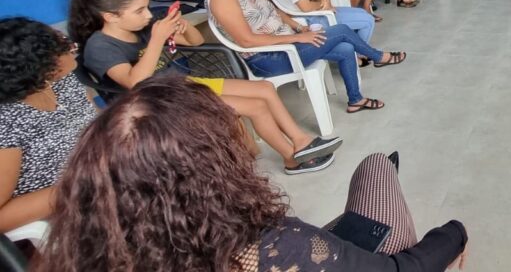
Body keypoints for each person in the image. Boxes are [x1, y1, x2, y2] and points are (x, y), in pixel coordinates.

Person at [42, 76, 469, 271]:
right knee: (376, 168)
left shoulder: (85, 253)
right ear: (212, 165)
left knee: (366, 197)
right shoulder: (272, 246)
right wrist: (455, 233)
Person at [70, 0, 342, 175]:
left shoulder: (142, 28)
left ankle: (300, 141)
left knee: (264, 88)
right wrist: (157, 39)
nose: (148, 15)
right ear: (110, 17)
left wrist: (184, 28)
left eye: (147, 7)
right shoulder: (100, 46)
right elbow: (134, 83)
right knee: (255, 106)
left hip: (182, 84)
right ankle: (291, 159)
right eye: (139, 11)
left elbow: (196, 42)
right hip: (157, 102)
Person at [206, 0, 404, 114]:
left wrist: (300, 29)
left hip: (289, 46)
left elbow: (276, 12)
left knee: (345, 48)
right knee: (342, 30)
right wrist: (296, 38)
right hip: (269, 58)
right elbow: (246, 41)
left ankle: (356, 100)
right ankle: (378, 57)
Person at [0, 18, 96, 233]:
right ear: (41, 68)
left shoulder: (63, 81)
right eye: (62, 46)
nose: (72, 47)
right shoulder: (6, 123)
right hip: (74, 208)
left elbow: (93, 121)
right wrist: (83, 184)